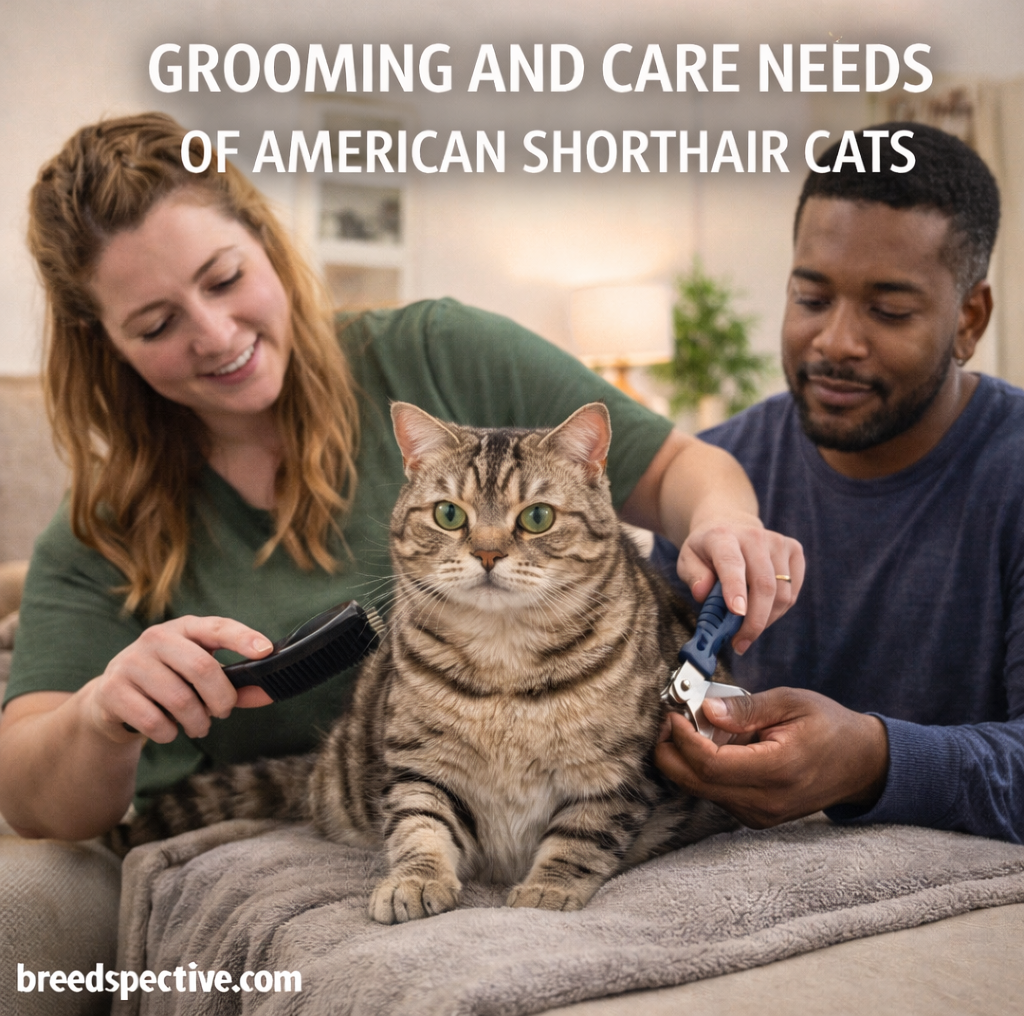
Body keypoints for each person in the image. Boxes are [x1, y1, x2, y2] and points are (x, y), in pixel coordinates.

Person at [0, 112, 803, 843]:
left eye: (223, 278)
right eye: (157, 323)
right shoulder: (101, 524)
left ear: (266, 243)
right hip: (324, 827)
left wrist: (724, 523)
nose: (216, 335)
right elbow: (32, 800)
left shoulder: (436, 353)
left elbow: (682, 469)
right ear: (103, 341)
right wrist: (102, 716)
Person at [653, 122, 1024, 844]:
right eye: (812, 299)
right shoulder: (710, 480)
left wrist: (874, 763)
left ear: (968, 320)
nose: (835, 343)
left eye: (888, 310)